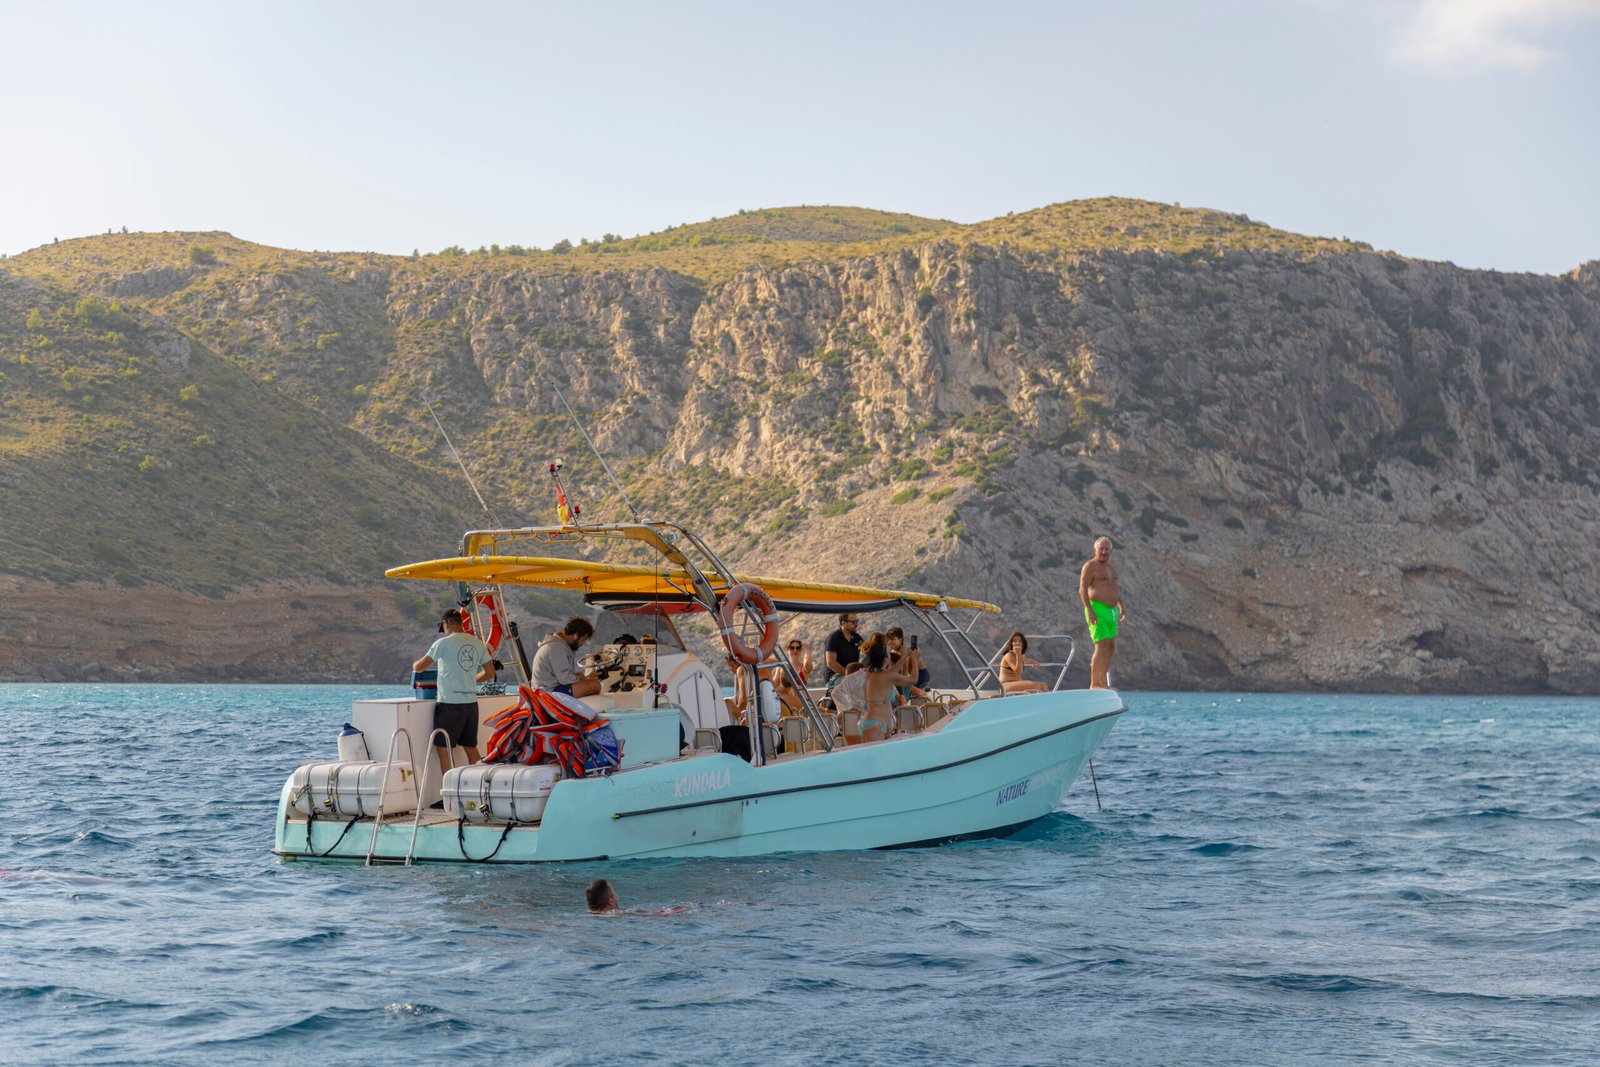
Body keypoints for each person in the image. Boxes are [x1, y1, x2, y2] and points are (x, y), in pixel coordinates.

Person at [412, 608, 495, 787]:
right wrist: (471, 680)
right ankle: (481, 790)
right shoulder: (477, 643)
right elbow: (490, 673)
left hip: (449, 704)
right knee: (471, 747)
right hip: (471, 704)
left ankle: (450, 793)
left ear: (447, 623)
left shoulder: (442, 643)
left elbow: (419, 667)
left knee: (443, 748)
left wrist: (414, 664)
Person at [1079, 537, 1128, 689]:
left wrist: (1122, 607)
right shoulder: (1090, 566)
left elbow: (1116, 588)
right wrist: (1089, 609)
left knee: (1110, 646)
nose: (1104, 551)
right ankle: (1094, 684)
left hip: (1111, 611)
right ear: (1095, 550)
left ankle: (1102, 682)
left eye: (1107, 549)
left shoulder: (1111, 567)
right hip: (1097, 609)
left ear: (1111, 551)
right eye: (1101, 548)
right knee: (1100, 646)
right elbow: (1082, 589)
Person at [856, 632, 923, 742]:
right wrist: (914, 659)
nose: (890, 655)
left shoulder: (870, 674)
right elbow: (913, 680)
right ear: (885, 659)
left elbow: (892, 673)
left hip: (870, 722)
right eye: (888, 654)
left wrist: (906, 655)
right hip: (876, 724)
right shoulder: (885, 676)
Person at [530, 616, 601, 698]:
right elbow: (565, 679)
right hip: (548, 693)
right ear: (576, 636)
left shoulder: (560, 646)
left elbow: (563, 675)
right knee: (595, 685)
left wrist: (577, 676)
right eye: (583, 640)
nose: (582, 644)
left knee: (591, 683)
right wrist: (582, 679)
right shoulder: (557, 648)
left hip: (549, 689)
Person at [824, 612, 863, 687]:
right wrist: (849, 675)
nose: (856, 624)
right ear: (843, 623)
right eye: (853, 622)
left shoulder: (857, 638)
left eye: (857, 621)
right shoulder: (833, 638)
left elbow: (868, 652)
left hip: (851, 676)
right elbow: (831, 663)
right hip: (834, 677)